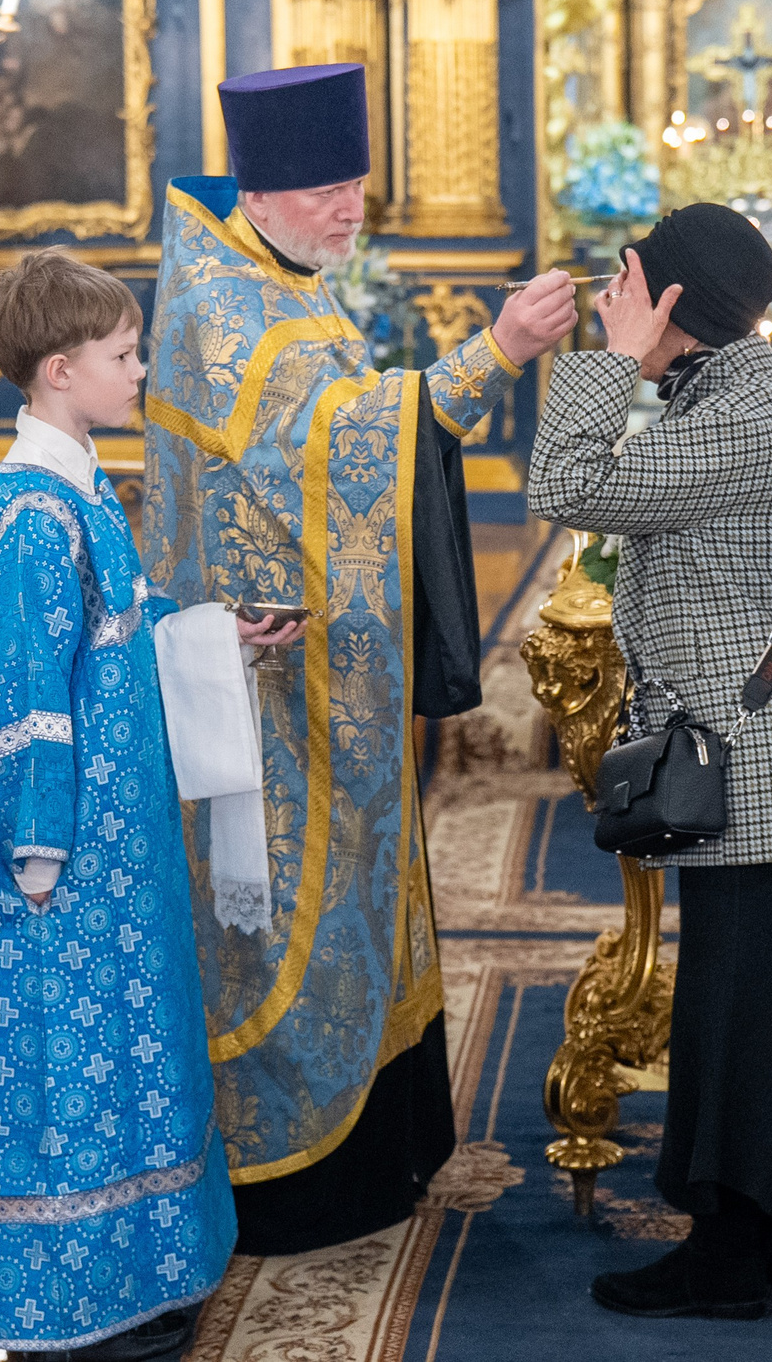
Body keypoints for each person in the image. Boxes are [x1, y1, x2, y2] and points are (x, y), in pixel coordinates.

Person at [141, 63, 579, 1256]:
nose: (350, 213)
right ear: (265, 190)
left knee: (360, 884)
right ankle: (296, 1174)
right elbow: (328, 444)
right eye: (329, 191)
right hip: (265, 678)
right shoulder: (224, 306)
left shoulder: (276, 274)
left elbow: (346, 425)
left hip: (313, 658)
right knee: (291, 898)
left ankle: (384, 1141)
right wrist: (493, 353)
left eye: (359, 188)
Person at [527, 204, 772, 1321]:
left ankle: (729, 1250)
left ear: (672, 301)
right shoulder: (736, 394)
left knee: (745, 1009)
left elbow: (565, 487)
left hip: (759, 754)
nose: (612, 298)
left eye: (629, 284)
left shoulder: (741, 415)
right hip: (769, 748)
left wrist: (608, 363)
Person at [0, 250, 295, 1360]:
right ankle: (75, 1309)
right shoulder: (36, 516)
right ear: (56, 371)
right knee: (65, 1077)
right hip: (60, 867)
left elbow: (109, 638)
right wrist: (38, 854)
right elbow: (3, 697)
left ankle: (133, 1280)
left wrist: (211, 631)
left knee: (127, 1061)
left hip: (114, 859)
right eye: (123, 354)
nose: (140, 370)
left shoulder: (77, 482)